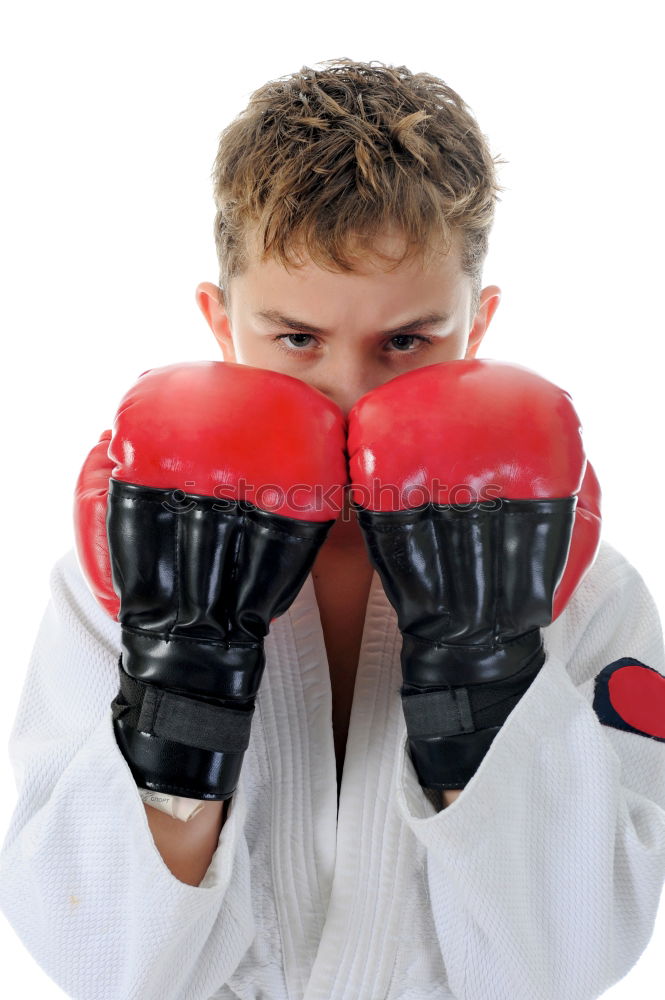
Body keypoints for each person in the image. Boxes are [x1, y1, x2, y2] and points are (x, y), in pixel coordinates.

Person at [1, 57, 664, 1000]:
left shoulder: (581, 585)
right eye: (297, 339)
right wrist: (184, 673)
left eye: (406, 340)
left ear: (476, 326)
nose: (351, 392)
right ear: (219, 320)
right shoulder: (122, 568)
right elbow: (101, 966)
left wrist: (483, 669)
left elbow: (572, 961)